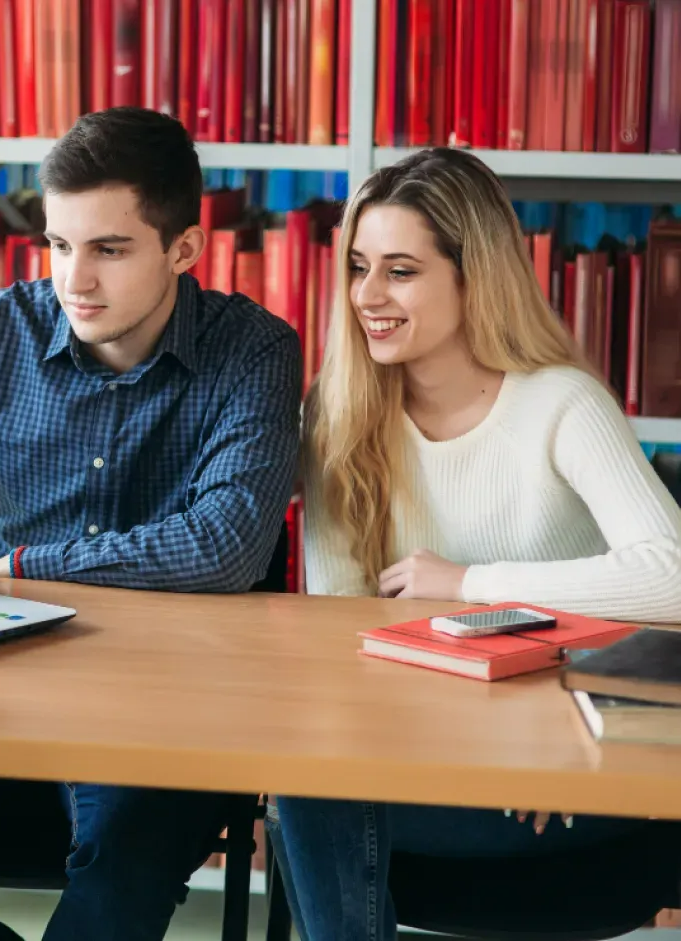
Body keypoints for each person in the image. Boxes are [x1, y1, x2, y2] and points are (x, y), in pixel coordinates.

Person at [0, 106, 304, 941]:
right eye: (58, 244)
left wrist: (15, 566)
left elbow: (223, 547)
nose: (74, 280)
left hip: (167, 683)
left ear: (183, 248)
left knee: (118, 878)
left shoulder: (254, 351)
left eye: (109, 250)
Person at [268, 146, 681, 940]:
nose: (367, 295)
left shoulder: (560, 404)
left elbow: (670, 574)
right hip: (415, 750)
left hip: (567, 767)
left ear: (473, 278)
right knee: (302, 775)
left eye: (400, 271)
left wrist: (466, 583)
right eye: (358, 266)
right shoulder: (339, 411)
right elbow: (337, 631)